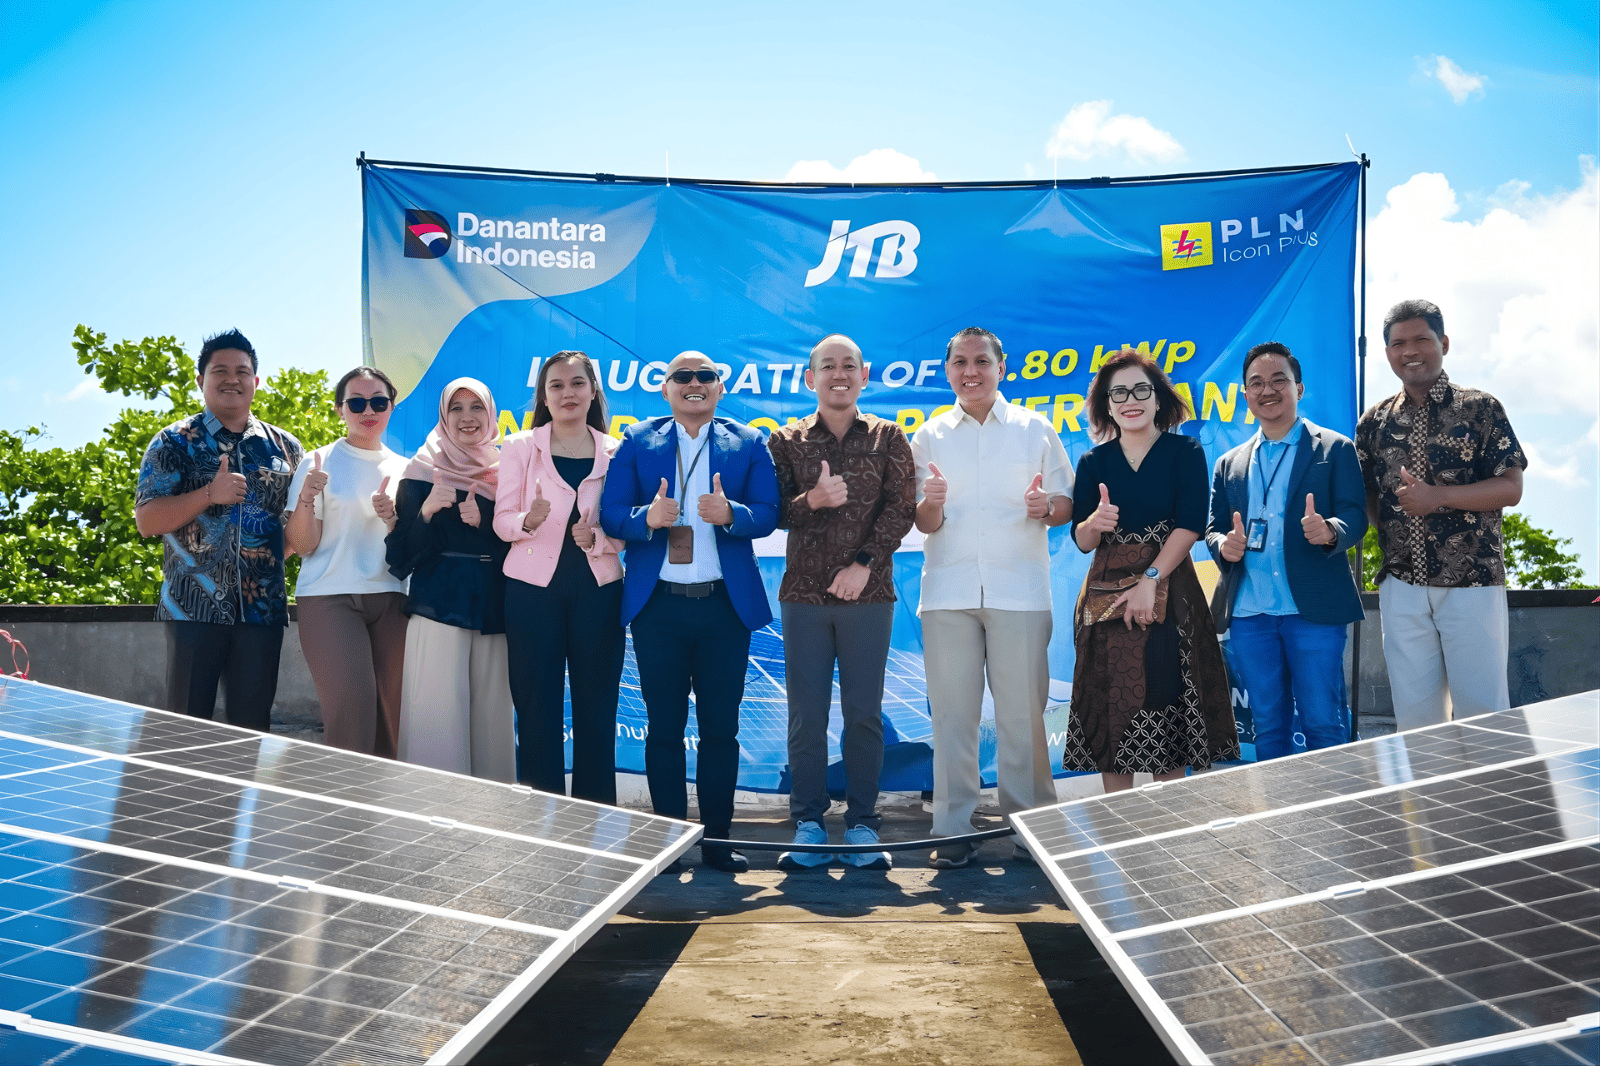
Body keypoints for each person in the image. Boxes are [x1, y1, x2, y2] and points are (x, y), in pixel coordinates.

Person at [600, 351, 779, 873]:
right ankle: (670, 843)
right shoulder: (637, 441)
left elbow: (770, 513)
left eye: (706, 376)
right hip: (659, 609)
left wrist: (732, 513)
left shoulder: (750, 442)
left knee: (721, 730)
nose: (694, 383)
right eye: (682, 376)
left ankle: (718, 840)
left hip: (724, 609)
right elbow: (611, 514)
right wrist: (646, 517)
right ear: (666, 388)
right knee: (664, 729)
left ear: (720, 388)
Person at [911, 327, 1073, 869]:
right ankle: (953, 829)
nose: (970, 372)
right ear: (947, 370)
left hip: (1019, 591)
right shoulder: (929, 435)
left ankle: (1030, 828)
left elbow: (1066, 503)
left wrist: (1046, 507)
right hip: (948, 593)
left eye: (981, 361)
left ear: (1002, 367)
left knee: (1022, 718)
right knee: (952, 719)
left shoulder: (1034, 428)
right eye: (960, 362)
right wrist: (933, 503)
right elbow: (923, 521)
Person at [767, 334, 915, 870]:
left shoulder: (888, 436)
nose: (839, 375)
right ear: (811, 378)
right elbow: (772, 511)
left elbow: (902, 508)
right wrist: (813, 499)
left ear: (864, 375)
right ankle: (808, 824)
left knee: (864, 714)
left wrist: (864, 564)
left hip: (868, 596)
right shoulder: (785, 440)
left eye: (849, 365)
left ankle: (863, 825)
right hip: (803, 597)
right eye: (827, 366)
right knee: (806, 716)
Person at [1060, 347, 1236, 793]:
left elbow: (1191, 525)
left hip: (1169, 597)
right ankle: (1118, 828)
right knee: (1111, 713)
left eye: (1141, 389)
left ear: (1158, 397)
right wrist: (1093, 523)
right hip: (1105, 601)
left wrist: (1149, 582)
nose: (1130, 400)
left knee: (1164, 711)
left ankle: (1164, 830)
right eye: (1118, 393)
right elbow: (1082, 541)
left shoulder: (1185, 451)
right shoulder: (1092, 462)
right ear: (1106, 405)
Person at [1356, 299, 1527, 729]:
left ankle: (1490, 779)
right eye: (1399, 343)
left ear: (1444, 343)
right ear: (1388, 352)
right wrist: (1393, 531)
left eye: (1421, 339)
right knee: (1416, 723)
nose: (1410, 351)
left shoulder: (1480, 408)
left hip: (1472, 582)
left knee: (1485, 716)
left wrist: (1437, 497)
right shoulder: (1374, 421)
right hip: (1401, 585)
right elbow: (1367, 494)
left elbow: (1511, 488)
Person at [135, 329, 303, 731]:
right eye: (220, 371)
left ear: (255, 381)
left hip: (262, 613)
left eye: (242, 371)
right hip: (192, 609)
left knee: (251, 731)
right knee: (186, 729)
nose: (232, 379)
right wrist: (210, 493)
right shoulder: (173, 442)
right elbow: (147, 520)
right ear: (201, 380)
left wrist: (266, 559)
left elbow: (293, 532)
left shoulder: (286, 448)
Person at [1206, 342, 1366, 760]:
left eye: (1279, 380)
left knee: (1323, 720)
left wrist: (1330, 531)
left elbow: (1356, 515)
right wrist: (1225, 545)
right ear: (1245, 394)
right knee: (1267, 725)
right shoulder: (1228, 463)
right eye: (1256, 383)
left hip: (1314, 610)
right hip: (1250, 613)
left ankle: (1333, 802)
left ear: (1299, 388)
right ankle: (1277, 805)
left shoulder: (1335, 449)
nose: (1268, 390)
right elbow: (1213, 529)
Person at [495, 352, 625, 804]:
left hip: (598, 592)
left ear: (593, 391)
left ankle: (595, 818)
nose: (567, 393)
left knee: (597, 711)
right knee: (536, 710)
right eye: (556, 385)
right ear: (544, 397)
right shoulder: (518, 446)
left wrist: (598, 537)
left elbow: (625, 529)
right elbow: (502, 522)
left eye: (577, 383)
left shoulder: (617, 451)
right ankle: (540, 824)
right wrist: (527, 521)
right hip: (532, 593)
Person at [386, 378, 514, 781]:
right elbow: (399, 556)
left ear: (491, 416)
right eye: (456, 408)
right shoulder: (421, 472)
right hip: (437, 607)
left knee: (493, 720)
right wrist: (426, 512)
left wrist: (485, 524)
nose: (466, 417)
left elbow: (521, 547)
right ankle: (433, 810)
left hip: (493, 610)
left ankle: (493, 811)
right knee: (436, 717)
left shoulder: (507, 474)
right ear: (443, 416)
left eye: (476, 407)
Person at [285, 367, 411, 757]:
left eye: (378, 401)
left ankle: (388, 800)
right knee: (351, 721)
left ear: (392, 406)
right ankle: (343, 799)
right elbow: (302, 544)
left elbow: (412, 548)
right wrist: (306, 499)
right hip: (330, 598)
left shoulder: (408, 468)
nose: (368, 410)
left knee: (395, 726)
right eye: (356, 403)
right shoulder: (318, 462)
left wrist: (393, 519)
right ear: (340, 409)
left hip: (393, 598)